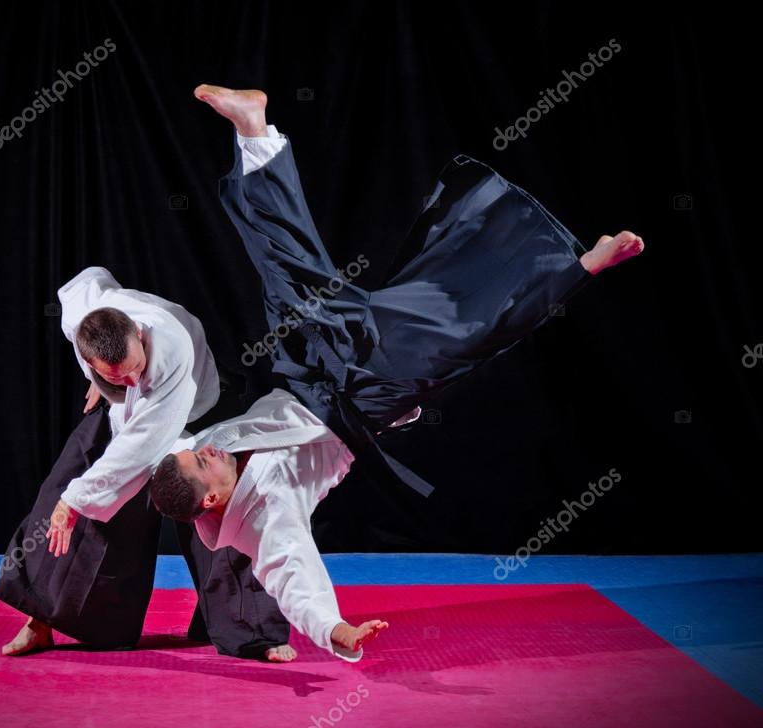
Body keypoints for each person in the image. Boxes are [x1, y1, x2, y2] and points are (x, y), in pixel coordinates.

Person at [146, 84, 645, 660]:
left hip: (306, 370)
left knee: (290, 274)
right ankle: (580, 266)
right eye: (201, 461)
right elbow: (294, 580)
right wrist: (338, 631)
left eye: (195, 450)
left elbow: (142, 449)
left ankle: (255, 133)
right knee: (471, 337)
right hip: (364, 396)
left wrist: (100, 405)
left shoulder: (199, 456)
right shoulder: (265, 520)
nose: (205, 448)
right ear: (212, 501)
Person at [0, 267, 295, 662]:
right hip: (126, 415)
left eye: (135, 369)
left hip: (197, 409)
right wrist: (101, 378)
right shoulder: (82, 314)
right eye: (117, 375)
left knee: (224, 505)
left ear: (138, 332)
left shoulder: (171, 349)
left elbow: (143, 445)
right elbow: (92, 277)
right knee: (61, 495)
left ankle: (255, 632)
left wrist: (78, 498)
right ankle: (43, 622)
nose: (133, 380)